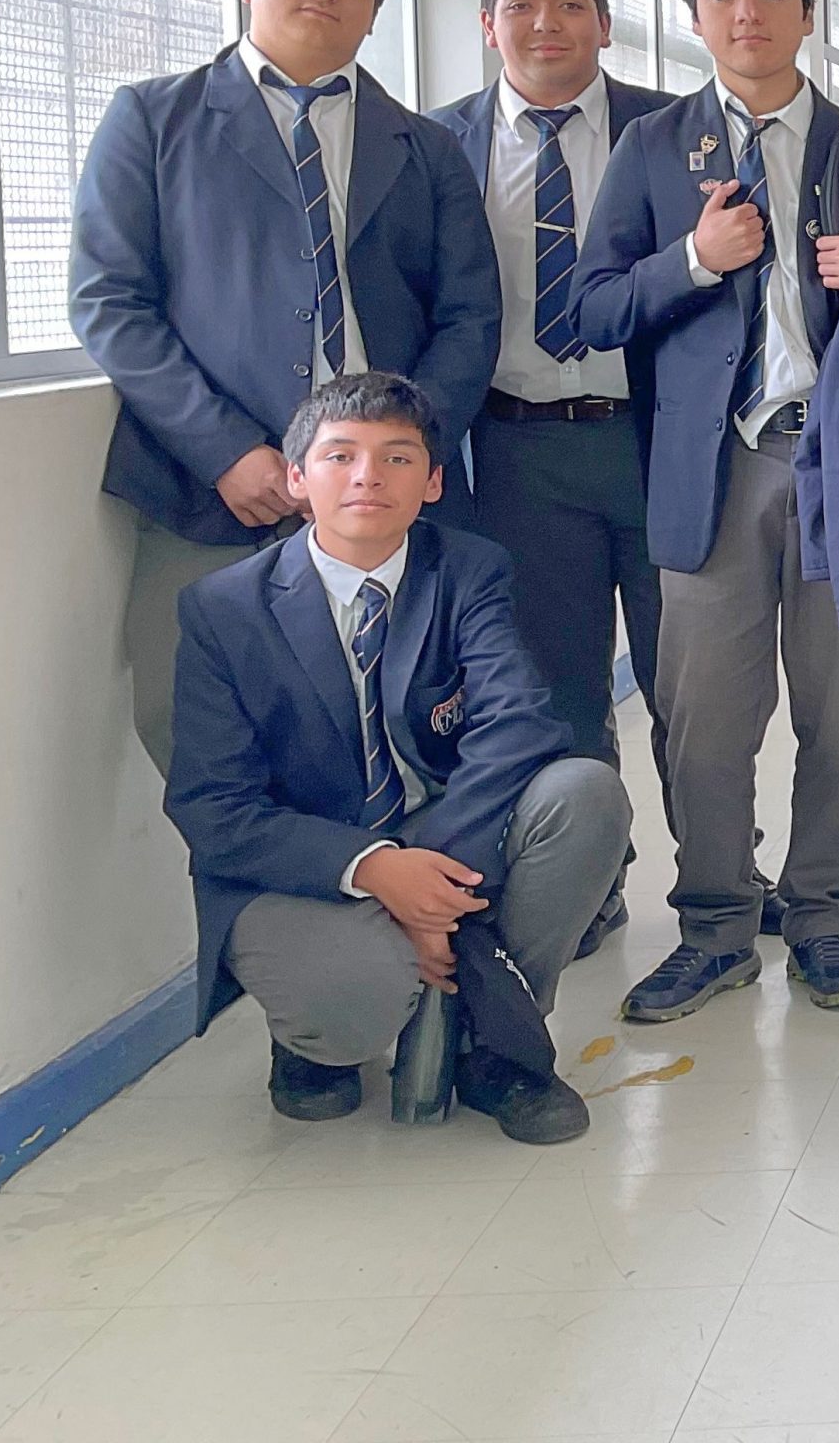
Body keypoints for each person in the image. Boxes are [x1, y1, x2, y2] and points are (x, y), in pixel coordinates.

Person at [573, 0, 839, 1021]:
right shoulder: (650, 148)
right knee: (705, 721)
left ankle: (823, 921)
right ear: (694, 18)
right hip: (713, 475)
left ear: (806, 14)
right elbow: (588, 311)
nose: (747, 15)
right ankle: (717, 926)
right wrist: (690, 258)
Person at [71, 0, 500, 778]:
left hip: (386, 491)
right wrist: (227, 450)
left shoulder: (426, 148)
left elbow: (469, 315)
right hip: (212, 490)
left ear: (376, 9)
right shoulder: (154, 121)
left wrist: (407, 450)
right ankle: (276, 909)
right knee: (195, 725)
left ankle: (396, 900)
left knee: (410, 718)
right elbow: (109, 299)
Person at [166, 373, 629, 1143]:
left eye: (398, 458)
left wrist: (429, 878)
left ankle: (492, 1043)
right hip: (310, 865)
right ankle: (312, 1048)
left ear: (435, 480)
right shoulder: (222, 610)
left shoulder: (469, 569)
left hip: (447, 831)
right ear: (296, 479)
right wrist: (378, 869)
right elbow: (213, 809)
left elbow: (518, 726)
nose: (367, 478)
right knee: (358, 1001)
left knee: (585, 793)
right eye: (340, 456)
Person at [429, 0, 675, 958]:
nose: (545, 24)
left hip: (660, 441)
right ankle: (593, 876)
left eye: (569, 3)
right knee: (561, 681)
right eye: (521, 4)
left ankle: (718, 872)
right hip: (521, 449)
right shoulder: (436, 144)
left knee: (690, 678)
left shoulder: (668, 132)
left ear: (605, 24)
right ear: (488, 24)